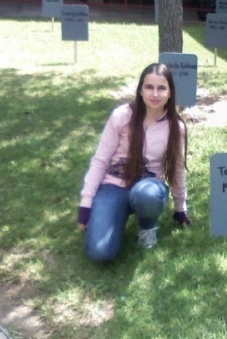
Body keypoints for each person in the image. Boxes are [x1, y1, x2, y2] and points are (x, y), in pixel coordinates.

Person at [77, 63, 191, 262]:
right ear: (140, 90)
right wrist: (86, 204)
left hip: (148, 187)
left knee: (147, 195)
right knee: (99, 253)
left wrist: (180, 208)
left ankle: (147, 227)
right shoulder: (121, 116)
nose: (155, 94)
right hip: (114, 185)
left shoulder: (176, 127)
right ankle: (115, 213)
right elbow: (100, 160)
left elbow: (177, 170)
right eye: (149, 87)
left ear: (170, 92)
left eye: (161, 88)